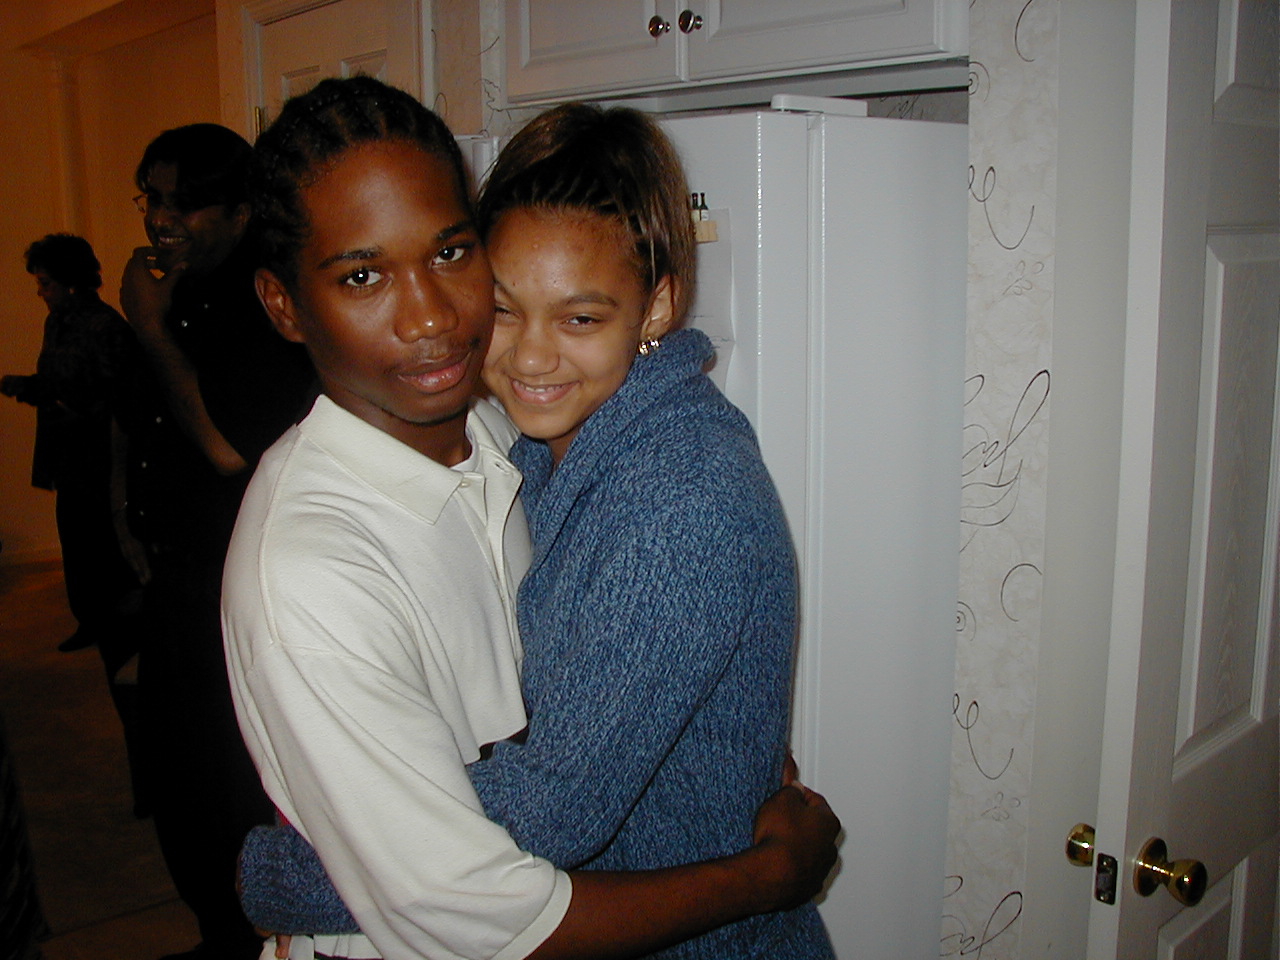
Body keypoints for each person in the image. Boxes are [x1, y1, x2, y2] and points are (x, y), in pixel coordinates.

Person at [222, 76, 838, 960]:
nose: (434, 318)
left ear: (657, 306)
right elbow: (467, 884)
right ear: (283, 303)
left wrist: (290, 874)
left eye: (448, 255)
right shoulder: (321, 566)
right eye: (363, 274)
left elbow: (552, 804)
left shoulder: (624, 475)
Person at [120, 123, 315, 960]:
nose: (161, 219)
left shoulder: (261, 306)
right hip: (173, 583)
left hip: (235, 592)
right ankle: (216, 933)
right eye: (152, 199)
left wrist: (149, 328)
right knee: (175, 781)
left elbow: (225, 445)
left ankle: (244, 941)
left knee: (227, 787)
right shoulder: (180, 291)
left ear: (240, 212)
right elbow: (136, 420)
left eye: (184, 203)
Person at [2, 234, 142, 659]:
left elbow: (120, 398)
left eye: (45, 283)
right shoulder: (58, 322)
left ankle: (118, 626)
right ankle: (91, 620)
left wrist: (58, 398)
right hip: (69, 455)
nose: (40, 292)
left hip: (99, 458)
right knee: (77, 542)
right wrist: (30, 388)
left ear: (70, 282)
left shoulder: (105, 326)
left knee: (103, 545)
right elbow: (58, 381)